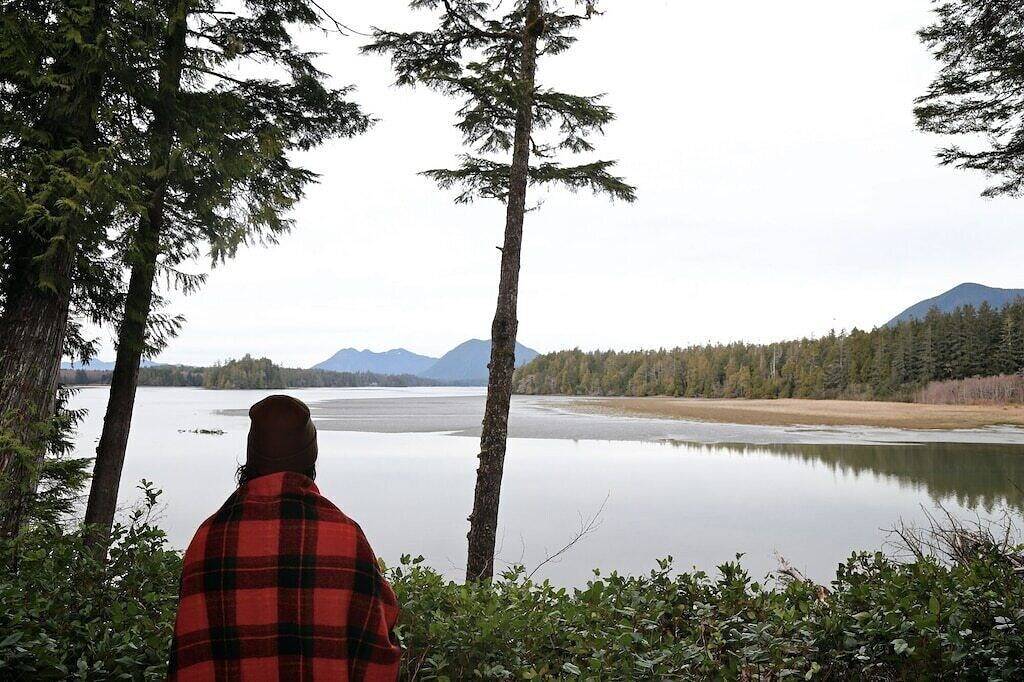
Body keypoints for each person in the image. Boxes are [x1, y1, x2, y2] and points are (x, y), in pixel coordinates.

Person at [168, 395, 401, 681]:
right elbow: (379, 648)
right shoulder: (347, 538)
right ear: (310, 458)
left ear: (251, 458)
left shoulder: (208, 539)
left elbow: (188, 653)